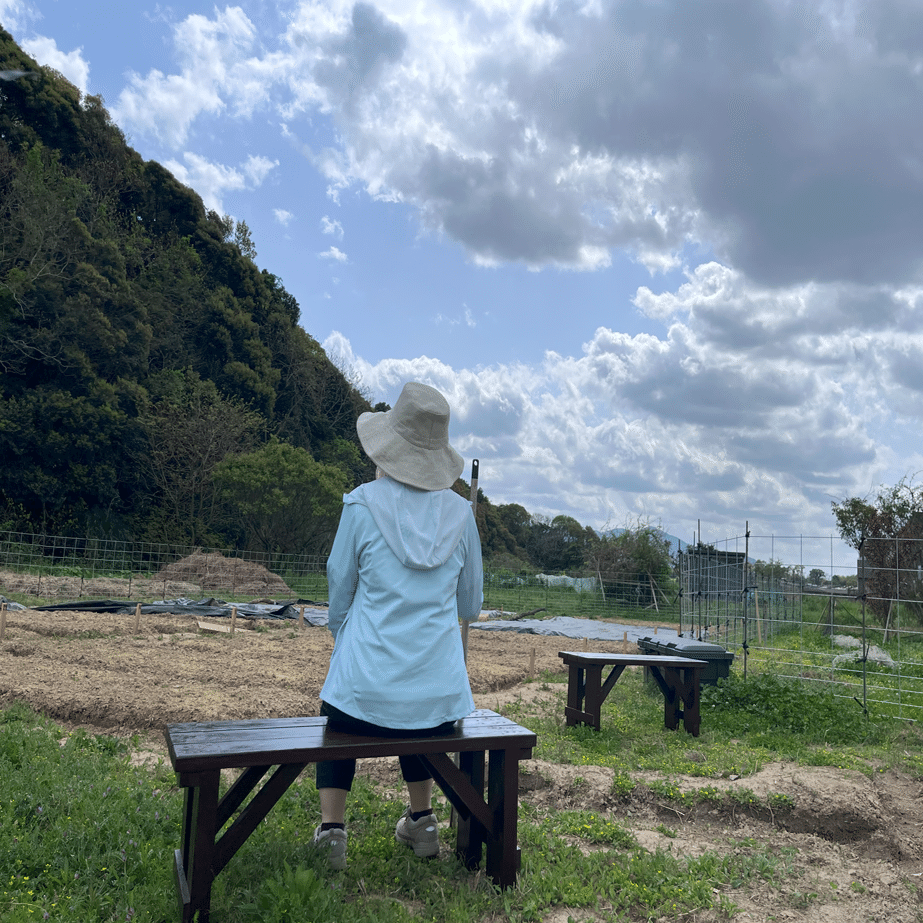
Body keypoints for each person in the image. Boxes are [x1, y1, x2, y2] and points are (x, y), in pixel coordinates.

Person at [312, 381, 483, 870]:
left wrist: (343, 634)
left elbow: (339, 584)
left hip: (362, 692)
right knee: (418, 707)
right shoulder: (462, 514)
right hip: (439, 697)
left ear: (387, 446)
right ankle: (422, 820)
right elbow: (470, 604)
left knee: (340, 708)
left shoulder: (361, 504)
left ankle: (332, 831)